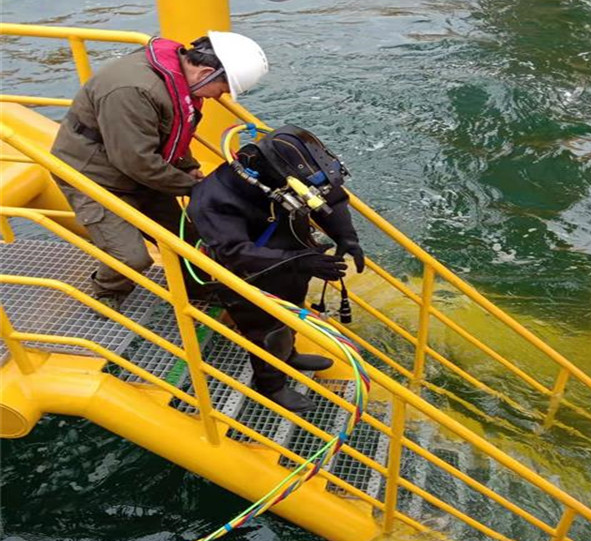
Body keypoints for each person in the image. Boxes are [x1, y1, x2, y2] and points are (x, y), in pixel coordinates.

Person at [51, 31, 268, 310]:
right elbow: (135, 161)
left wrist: (188, 168)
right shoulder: (133, 91)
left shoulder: (176, 81)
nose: (220, 97)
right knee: (131, 258)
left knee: (190, 242)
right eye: (222, 90)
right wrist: (195, 188)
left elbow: (171, 131)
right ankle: (107, 291)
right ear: (205, 72)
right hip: (93, 176)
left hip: (139, 170)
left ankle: (197, 292)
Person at [187, 124, 365, 414]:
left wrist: (346, 236)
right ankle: (270, 385)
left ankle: (289, 353)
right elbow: (234, 252)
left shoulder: (284, 177)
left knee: (292, 310)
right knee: (264, 328)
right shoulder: (212, 200)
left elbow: (328, 196)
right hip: (251, 275)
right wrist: (299, 261)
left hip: (289, 261)